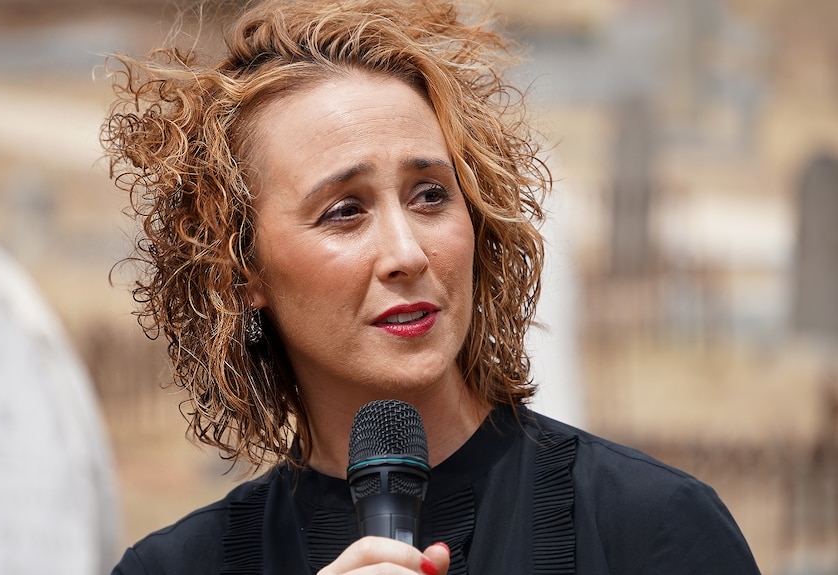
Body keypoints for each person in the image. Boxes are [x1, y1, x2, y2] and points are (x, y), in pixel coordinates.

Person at [101, 0, 761, 573]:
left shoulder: (650, 530)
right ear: (244, 272)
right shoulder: (173, 565)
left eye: (429, 194)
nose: (407, 252)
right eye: (344, 210)